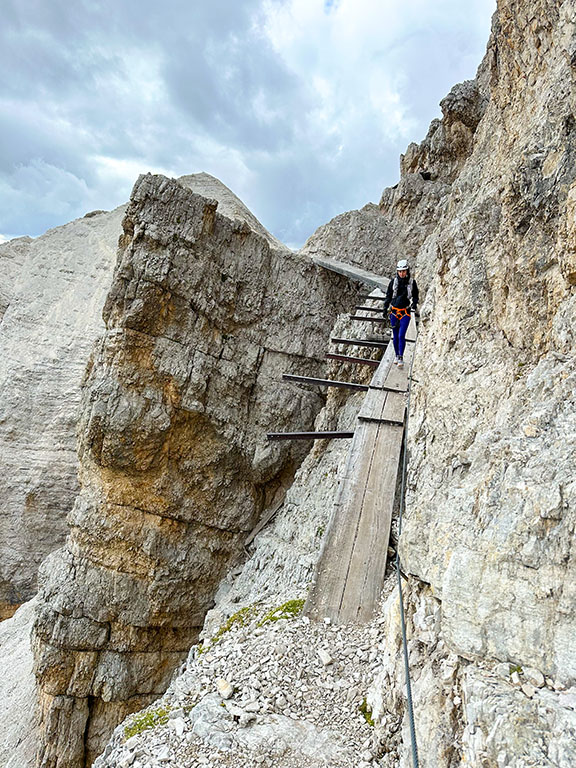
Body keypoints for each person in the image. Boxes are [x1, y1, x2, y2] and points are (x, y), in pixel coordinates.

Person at [382, 259, 419, 369]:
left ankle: (401, 357)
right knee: (395, 336)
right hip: (394, 311)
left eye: (404, 271)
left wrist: (415, 303)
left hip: (405, 312)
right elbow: (388, 296)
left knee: (401, 335)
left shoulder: (412, 283)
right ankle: (397, 355)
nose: (402, 273)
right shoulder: (393, 283)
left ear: (407, 271)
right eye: (400, 271)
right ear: (397, 272)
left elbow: (416, 294)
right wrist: (385, 308)